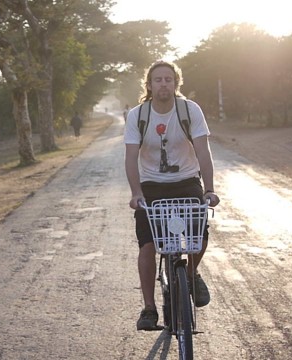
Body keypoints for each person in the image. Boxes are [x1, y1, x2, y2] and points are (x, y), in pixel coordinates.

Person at [123, 60, 220, 330]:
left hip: (186, 180)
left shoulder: (189, 110)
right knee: (148, 245)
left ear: (175, 83)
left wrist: (210, 189)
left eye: (168, 79)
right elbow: (131, 157)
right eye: (158, 79)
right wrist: (136, 193)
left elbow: (203, 151)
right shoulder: (138, 115)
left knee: (198, 236)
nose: (163, 84)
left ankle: (191, 273)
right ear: (150, 85)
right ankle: (149, 309)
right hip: (152, 184)